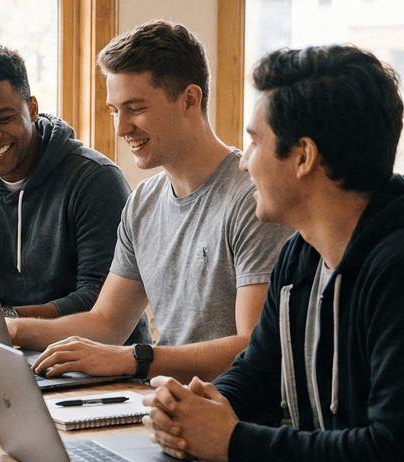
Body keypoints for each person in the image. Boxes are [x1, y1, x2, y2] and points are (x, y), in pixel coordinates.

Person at [142, 44, 404, 462]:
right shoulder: (300, 254)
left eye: (255, 141)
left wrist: (232, 440)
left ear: (304, 156)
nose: (245, 161)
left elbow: (402, 459)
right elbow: (260, 372)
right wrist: (197, 406)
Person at [16, 20, 294, 382]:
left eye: (135, 108)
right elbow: (107, 324)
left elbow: (254, 347)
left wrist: (135, 359)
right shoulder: (143, 202)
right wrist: (13, 330)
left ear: (190, 100)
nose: (120, 128)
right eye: (115, 111)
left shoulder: (251, 200)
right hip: (160, 402)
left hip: (231, 415)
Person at [0, 46, 145, 340]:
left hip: (97, 364)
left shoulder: (95, 179)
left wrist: (6, 320)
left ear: (32, 108)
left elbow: (97, 301)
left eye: (4, 119)